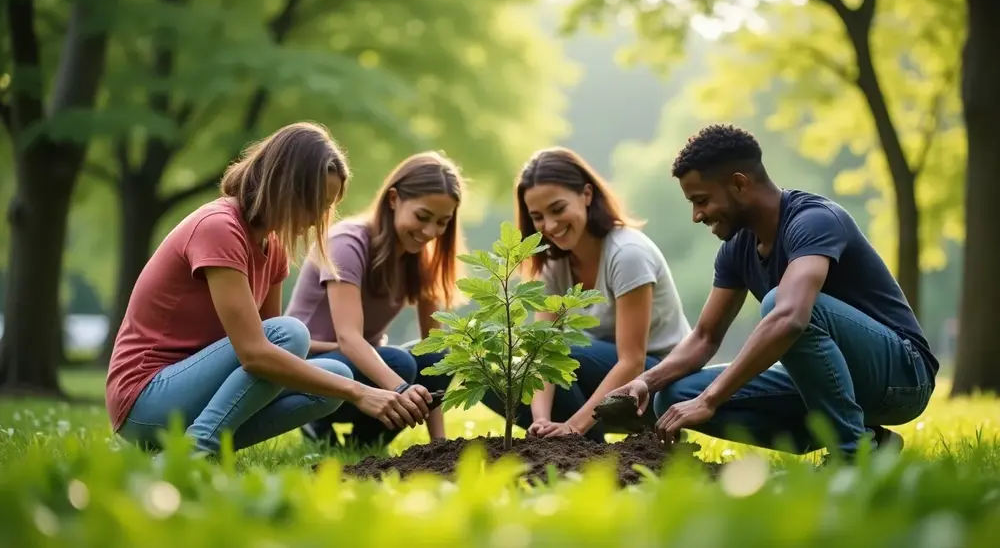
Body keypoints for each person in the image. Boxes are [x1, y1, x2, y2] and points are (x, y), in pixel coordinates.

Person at [608, 124, 937, 459]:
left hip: (902, 378)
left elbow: (791, 317)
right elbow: (705, 337)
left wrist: (710, 399)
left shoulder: (814, 221)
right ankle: (869, 442)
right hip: (823, 379)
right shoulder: (737, 248)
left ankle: (852, 454)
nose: (697, 216)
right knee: (673, 396)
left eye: (702, 200)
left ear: (739, 183)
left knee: (780, 303)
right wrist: (646, 383)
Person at [106, 122, 423, 457]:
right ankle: (197, 452)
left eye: (327, 207)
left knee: (332, 378)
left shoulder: (273, 248)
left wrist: (347, 385)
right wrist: (360, 392)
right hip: (145, 401)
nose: (318, 219)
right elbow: (258, 350)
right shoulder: (219, 227)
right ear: (284, 186)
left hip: (194, 398)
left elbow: (274, 361)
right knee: (292, 336)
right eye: (315, 204)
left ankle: (187, 446)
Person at [481, 147, 692, 443]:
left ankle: (583, 442)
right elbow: (541, 350)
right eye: (538, 217)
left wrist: (574, 426)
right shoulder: (554, 263)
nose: (550, 226)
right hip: (605, 379)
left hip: (657, 382)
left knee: (565, 349)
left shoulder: (628, 254)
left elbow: (632, 361)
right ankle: (574, 446)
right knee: (496, 380)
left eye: (558, 209)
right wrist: (539, 416)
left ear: (587, 195)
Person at [287, 151, 465, 449]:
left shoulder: (417, 258)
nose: (430, 232)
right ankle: (315, 422)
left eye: (442, 222)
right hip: (309, 370)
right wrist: (402, 388)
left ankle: (363, 444)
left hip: (361, 364)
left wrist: (441, 444)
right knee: (399, 362)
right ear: (394, 199)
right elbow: (348, 338)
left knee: (440, 356)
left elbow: (435, 344)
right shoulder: (347, 243)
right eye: (422, 217)